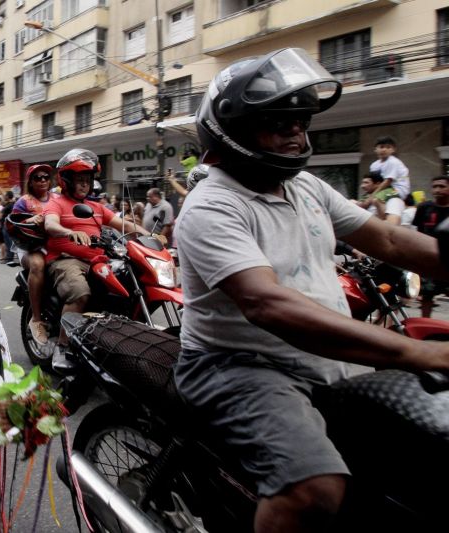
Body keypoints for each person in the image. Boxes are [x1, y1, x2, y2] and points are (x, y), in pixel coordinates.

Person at [175, 47, 449, 533]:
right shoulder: (211, 206)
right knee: (314, 488)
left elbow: (386, 237)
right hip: (238, 364)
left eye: (301, 122)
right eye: (280, 123)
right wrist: (420, 353)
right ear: (234, 132)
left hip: (326, 353)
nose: (296, 133)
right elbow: (265, 303)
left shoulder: (307, 186)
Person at [43, 149, 164, 373]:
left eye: (87, 181)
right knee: (80, 293)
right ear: (67, 181)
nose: (84, 185)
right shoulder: (56, 202)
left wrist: (151, 237)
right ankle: (62, 346)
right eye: (80, 180)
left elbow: (125, 226)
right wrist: (68, 233)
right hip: (67, 260)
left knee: (128, 286)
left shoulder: (97, 208)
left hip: (98, 260)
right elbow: (50, 224)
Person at [11, 164, 55, 345]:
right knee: (37, 265)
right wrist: (30, 220)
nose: (43, 180)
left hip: (54, 246)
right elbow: (11, 226)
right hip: (29, 249)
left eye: (45, 176)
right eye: (38, 177)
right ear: (31, 182)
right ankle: (37, 319)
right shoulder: (23, 202)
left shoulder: (57, 198)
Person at [413, 176, 449, 318]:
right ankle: (425, 324)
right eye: (434, 187)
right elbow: (418, 231)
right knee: (427, 294)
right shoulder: (424, 208)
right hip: (428, 258)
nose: (437, 190)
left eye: (442, 186)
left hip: (447, 259)